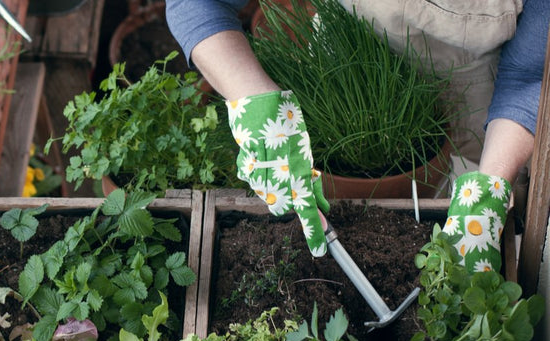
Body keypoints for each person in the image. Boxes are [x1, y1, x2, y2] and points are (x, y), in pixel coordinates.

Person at [166, 0, 549, 273]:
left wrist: (490, 183)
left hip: (480, 106)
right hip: (347, 77)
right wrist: (255, 102)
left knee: (463, 235)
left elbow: (529, 72)